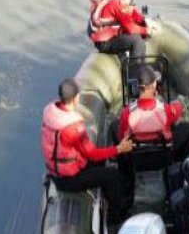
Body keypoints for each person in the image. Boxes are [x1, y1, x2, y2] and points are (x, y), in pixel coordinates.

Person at [42, 78, 135, 222]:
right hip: (69, 180)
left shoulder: (50, 114)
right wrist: (119, 148)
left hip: (57, 175)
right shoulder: (72, 127)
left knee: (102, 161)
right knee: (113, 175)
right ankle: (116, 218)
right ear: (75, 98)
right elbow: (92, 153)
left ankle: (106, 196)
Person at [88, 0, 152, 63]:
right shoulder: (119, 1)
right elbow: (130, 28)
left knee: (140, 28)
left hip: (110, 31)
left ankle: (131, 62)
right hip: (104, 42)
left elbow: (131, 11)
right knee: (137, 41)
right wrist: (147, 30)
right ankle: (135, 75)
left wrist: (143, 20)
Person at [117, 65, 189, 151]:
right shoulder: (166, 109)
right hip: (161, 155)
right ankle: (179, 160)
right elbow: (178, 109)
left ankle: (122, 163)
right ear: (154, 84)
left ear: (138, 86)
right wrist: (177, 104)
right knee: (186, 127)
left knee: (114, 126)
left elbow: (121, 137)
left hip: (136, 157)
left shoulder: (127, 112)